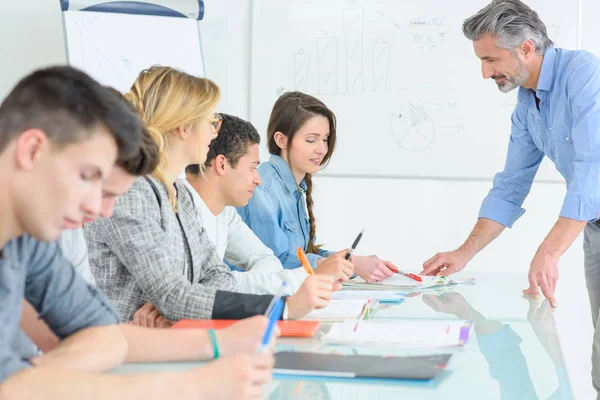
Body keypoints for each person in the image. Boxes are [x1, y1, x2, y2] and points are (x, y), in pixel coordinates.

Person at [0, 66, 273, 399]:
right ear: (31, 151)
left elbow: (108, 335)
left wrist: (217, 342)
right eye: (88, 176)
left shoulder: (27, 241)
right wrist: (190, 387)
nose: (98, 210)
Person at [420, 0, 600, 395]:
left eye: (490, 59)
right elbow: (511, 185)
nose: (485, 72)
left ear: (526, 48)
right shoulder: (526, 104)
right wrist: (465, 252)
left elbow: (592, 170)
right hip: (593, 227)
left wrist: (549, 252)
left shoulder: (584, 74)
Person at [85, 67, 334, 324]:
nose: (215, 132)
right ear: (183, 127)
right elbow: (173, 296)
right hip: (127, 348)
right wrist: (281, 309)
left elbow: (215, 274)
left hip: (169, 340)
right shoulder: (132, 193)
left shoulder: (179, 192)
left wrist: (189, 301)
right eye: (211, 122)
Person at [183, 113, 354, 296]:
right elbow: (199, 290)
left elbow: (266, 259)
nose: (258, 179)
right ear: (222, 165)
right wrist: (311, 274)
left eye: (325, 139)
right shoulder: (176, 212)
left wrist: (230, 283)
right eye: (252, 168)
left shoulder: (225, 213)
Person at [238, 91, 397, 282]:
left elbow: (304, 254)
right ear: (281, 140)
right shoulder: (263, 188)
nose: (322, 149)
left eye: (325, 138)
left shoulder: (297, 187)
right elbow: (275, 263)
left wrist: (350, 261)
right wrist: (350, 263)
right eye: (311, 140)